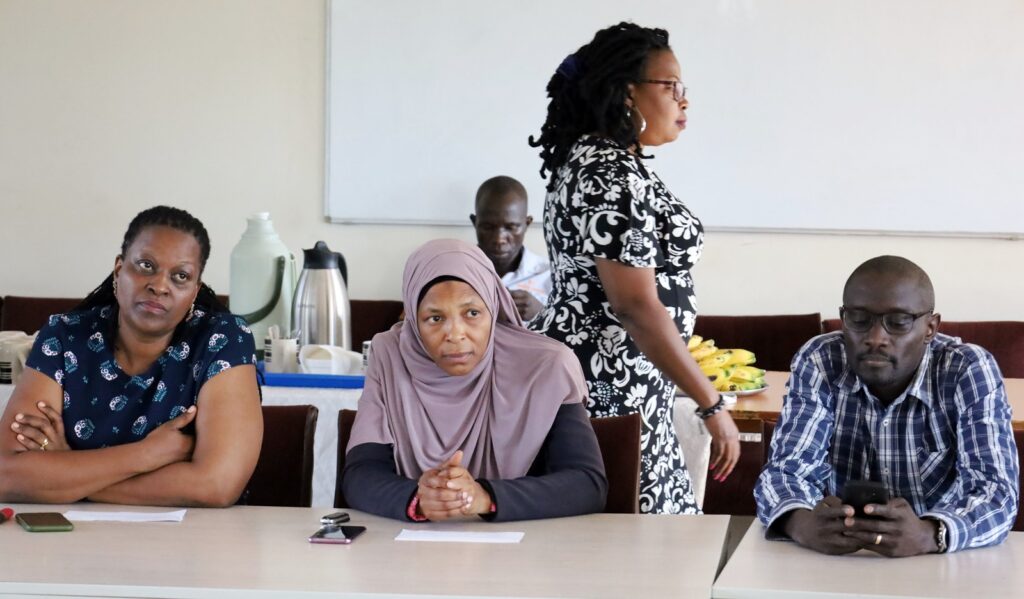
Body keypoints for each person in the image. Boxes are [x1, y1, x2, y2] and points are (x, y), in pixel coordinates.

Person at [527, 22, 740, 514]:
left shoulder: (600, 163)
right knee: (629, 545)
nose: (683, 101)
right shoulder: (608, 173)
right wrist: (710, 404)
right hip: (611, 388)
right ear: (627, 93)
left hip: (630, 382)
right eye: (671, 86)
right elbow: (636, 305)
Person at [755, 256, 1019, 556]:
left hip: (940, 560)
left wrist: (930, 534)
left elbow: (996, 492)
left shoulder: (966, 369)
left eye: (898, 322)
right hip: (836, 556)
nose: (876, 338)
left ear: (930, 328)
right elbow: (786, 471)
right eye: (859, 319)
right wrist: (800, 523)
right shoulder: (821, 360)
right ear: (843, 319)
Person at [0, 206, 263, 507]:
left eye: (180, 276)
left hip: (193, 544)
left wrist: (66, 471)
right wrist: (146, 455)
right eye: (146, 266)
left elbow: (216, 486)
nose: (159, 286)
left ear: (194, 291)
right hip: (70, 543)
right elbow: (7, 475)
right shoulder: (65, 337)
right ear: (118, 270)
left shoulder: (222, 339)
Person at [342, 239, 607, 522]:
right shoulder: (392, 356)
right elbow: (360, 475)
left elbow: (586, 484)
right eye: (434, 318)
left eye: (472, 314)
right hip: (414, 552)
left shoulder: (546, 367)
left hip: (528, 553)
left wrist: (484, 497)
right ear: (413, 321)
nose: (455, 334)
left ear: (493, 308)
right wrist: (419, 499)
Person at [469, 175, 551, 321]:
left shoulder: (551, 277)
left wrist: (543, 313)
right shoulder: (454, 273)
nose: (499, 239)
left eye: (511, 227)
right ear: (475, 222)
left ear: (527, 224)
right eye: (488, 227)